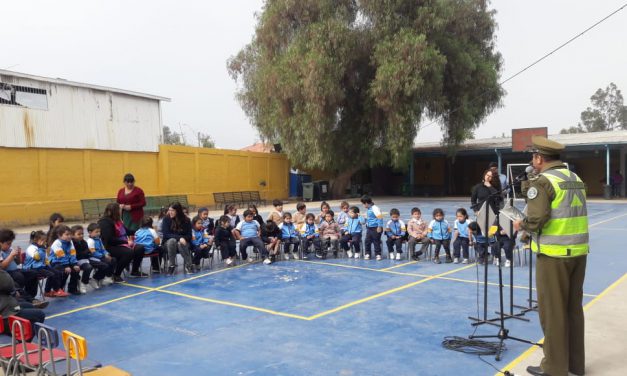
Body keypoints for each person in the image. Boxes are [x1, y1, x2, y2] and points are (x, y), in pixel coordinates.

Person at [513, 136, 589, 376]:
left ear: (539, 158)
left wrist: (520, 224)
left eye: (533, 157)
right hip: (578, 252)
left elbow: (535, 220)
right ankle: (575, 365)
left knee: (553, 312)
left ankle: (555, 368)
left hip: (554, 255)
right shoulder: (574, 178)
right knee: (573, 310)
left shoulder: (543, 182)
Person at [98, 203, 147, 281]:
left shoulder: (118, 221)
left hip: (122, 244)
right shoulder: (104, 222)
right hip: (111, 246)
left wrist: (141, 231)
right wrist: (125, 241)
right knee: (129, 252)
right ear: (113, 212)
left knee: (140, 248)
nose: (121, 212)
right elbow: (110, 239)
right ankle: (116, 274)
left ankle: (134, 271)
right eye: (119, 210)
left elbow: (127, 231)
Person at [0, 229, 46, 307]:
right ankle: (27, 300)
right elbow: (2, 266)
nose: (10, 246)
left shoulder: (9, 249)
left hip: (15, 270)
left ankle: (31, 296)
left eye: (11, 243)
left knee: (33, 273)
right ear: (0, 243)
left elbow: (19, 262)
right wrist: (11, 256)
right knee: (18, 277)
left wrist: (18, 255)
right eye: (8, 244)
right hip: (5, 273)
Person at [0, 269, 45, 335]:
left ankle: (21, 332)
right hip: (5, 313)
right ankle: (23, 340)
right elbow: (9, 284)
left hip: (8, 306)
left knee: (29, 305)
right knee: (40, 315)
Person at [24, 231, 67, 297]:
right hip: (33, 268)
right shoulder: (32, 248)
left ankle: (50, 291)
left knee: (57, 272)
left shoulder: (42, 248)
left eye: (45, 240)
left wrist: (48, 264)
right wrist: (42, 249)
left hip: (42, 266)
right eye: (42, 240)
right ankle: (56, 290)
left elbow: (46, 259)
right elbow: (37, 257)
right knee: (52, 275)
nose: (44, 242)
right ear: (36, 240)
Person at [48, 225, 81, 295]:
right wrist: (66, 266)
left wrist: (74, 264)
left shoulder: (70, 242)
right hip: (55, 262)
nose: (69, 236)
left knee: (75, 270)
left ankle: (72, 288)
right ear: (59, 236)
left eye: (70, 234)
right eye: (67, 234)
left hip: (65, 261)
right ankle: (58, 288)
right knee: (63, 270)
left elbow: (73, 253)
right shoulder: (57, 243)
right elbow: (61, 256)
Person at [162, 202, 193, 274]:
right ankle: (172, 265)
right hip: (168, 244)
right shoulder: (166, 219)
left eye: (172, 210)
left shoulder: (186, 220)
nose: (170, 212)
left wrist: (181, 239)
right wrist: (180, 238)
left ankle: (189, 265)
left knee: (180, 244)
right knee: (172, 241)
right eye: (169, 210)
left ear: (178, 211)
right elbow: (166, 234)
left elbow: (189, 236)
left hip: (184, 243)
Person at [70, 225, 95, 294]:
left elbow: (88, 251)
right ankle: (83, 283)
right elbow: (76, 255)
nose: (81, 235)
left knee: (100, 263)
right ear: (72, 235)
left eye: (82, 234)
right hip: (76, 261)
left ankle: (93, 279)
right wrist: (85, 253)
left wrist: (85, 253)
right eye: (79, 234)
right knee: (88, 267)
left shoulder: (84, 242)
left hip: (85, 259)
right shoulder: (71, 243)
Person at [361, 195, 383, 261]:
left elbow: (380, 217)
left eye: (363, 204)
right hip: (369, 228)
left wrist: (379, 226)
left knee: (376, 241)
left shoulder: (375, 208)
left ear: (366, 203)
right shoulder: (368, 210)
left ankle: (378, 254)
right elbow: (366, 219)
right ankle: (367, 254)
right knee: (367, 241)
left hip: (375, 228)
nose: (363, 205)